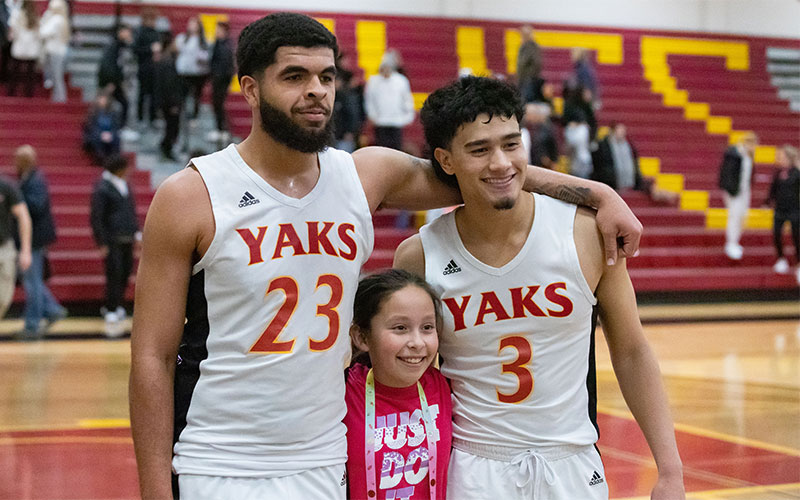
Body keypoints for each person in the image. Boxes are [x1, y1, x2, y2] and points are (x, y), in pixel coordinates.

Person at [128, 12, 642, 500]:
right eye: (294, 76)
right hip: (219, 462)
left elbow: (486, 167)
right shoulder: (193, 194)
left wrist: (599, 194)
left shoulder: (361, 175)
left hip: (327, 460)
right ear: (250, 89)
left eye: (327, 76)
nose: (316, 91)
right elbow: (151, 358)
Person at [394, 76, 685, 500]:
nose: (501, 163)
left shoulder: (586, 232)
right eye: (479, 150)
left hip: (572, 462)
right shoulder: (419, 255)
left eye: (511, 144)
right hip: (471, 467)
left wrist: (670, 471)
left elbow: (632, 350)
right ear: (446, 159)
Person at [345, 269, 452, 500]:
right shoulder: (343, 392)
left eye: (427, 327)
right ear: (362, 337)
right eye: (400, 328)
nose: (417, 342)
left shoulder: (443, 386)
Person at [15, 145, 66, 339]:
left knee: (31, 281)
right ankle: (52, 309)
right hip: (33, 236)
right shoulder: (29, 178)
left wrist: (18, 201)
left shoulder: (35, 180)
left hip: (34, 237)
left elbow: (35, 206)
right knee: (33, 279)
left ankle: (33, 323)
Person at [90, 154, 140, 337]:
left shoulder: (125, 184)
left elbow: (131, 210)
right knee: (114, 273)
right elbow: (97, 217)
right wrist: (101, 241)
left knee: (126, 272)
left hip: (127, 237)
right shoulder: (102, 187)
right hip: (112, 239)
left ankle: (118, 304)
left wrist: (136, 232)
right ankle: (110, 308)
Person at [592, 122, 678, 204]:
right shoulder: (604, 146)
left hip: (629, 181)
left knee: (650, 184)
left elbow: (635, 165)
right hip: (611, 182)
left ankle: (666, 195)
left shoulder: (628, 145)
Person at [718, 132, 758, 261]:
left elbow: (748, 174)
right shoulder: (734, 153)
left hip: (744, 190)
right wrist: (731, 190)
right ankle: (731, 243)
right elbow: (727, 173)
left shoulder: (749, 156)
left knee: (743, 216)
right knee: (734, 216)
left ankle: (735, 241)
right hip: (734, 191)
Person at [364, 50, 414, 151]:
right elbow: (369, 100)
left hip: (396, 121)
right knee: (382, 149)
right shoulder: (374, 81)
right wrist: (372, 115)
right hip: (381, 122)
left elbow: (407, 100)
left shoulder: (401, 81)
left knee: (396, 150)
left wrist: (408, 116)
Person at [762, 145, 799, 278]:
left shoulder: (797, 172)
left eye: (782, 157)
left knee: (796, 237)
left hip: (795, 210)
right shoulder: (778, 173)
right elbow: (773, 189)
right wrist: (767, 202)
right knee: (776, 233)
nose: (780, 159)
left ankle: (798, 264)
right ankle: (781, 259)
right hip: (780, 209)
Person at [0, 175, 32, 320]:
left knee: (3, 299)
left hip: (4, 247)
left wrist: (26, 250)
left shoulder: (6, 187)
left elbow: (24, 216)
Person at [152, 31, 182, 160]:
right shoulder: (168, 62)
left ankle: (166, 147)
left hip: (164, 100)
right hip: (169, 102)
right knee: (172, 127)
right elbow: (169, 85)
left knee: (171, 127)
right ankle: (166, 149)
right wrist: (174, 103)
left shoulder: (163, 60)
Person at [97, 24, 133, 127]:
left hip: (115, 81)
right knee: (106, 104)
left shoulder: (122, 46)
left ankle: (115, 127)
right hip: (110, 81)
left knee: (122, 103)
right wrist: (111, 81)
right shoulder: (114, 46)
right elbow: (110, 64)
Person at [175, 16, 209, 120]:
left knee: (196, 96)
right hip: (184, 71)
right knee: (183, 95)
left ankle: (194, 116)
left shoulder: (203, 41)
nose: (192, 26)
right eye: (191, 24)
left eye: (194, 24)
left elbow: (206, 55)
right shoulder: (182, 38)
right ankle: (183, 113)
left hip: (197, 72)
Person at [131, 6, 161, 125]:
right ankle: (140, 117)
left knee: (154, 94)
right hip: (143, 67)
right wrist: (150, 49)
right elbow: (135, 49)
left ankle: (152, 118)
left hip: (154, 68)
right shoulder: (140, 32)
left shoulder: (156, 33)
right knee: (142, 94)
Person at [6, 0, 40, 97]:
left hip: (19, 46)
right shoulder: (35, 16)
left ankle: (11, 92)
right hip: (32, 48)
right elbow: (38, 33)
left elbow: (12, 32)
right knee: (30, 73)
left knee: (15, 71)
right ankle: (29, 93)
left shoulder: (16, 15)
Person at [207, 20, 234, 141]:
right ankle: (219, 128)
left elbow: (227, 65)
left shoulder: (227, 45)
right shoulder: (216, 43)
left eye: (219, 30)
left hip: (222, 79)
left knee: (219, 104)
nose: (217, 32)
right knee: (216, 104)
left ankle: (223, 129)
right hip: (216, 78)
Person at [38, 0, 69, 102]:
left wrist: (45, 19)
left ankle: (60, 98)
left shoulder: (56, 20)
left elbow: (43, 32)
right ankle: (58, 97)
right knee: (57, 76)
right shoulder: (63, 20)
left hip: (54, 51)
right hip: (60, 51)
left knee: (56, 76)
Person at [82, 91, 122, 165]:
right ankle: (101, 158)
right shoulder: (93, 113)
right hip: (96, 133)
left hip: (109, 133)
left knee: (116, 137)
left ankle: (114, 160)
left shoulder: (113, 113)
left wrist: (110, 134)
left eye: (104, 99)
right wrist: (101, 134)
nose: (102, 101)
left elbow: (115, 126)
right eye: (101, 99)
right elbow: (90, 127)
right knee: (96, 137)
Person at [516, 24, 542, 105]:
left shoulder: (531, 46)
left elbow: (525, 62)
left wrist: (530, 75)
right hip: (525, 78)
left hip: (528, 79)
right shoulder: (527, 45)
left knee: (526, 102)